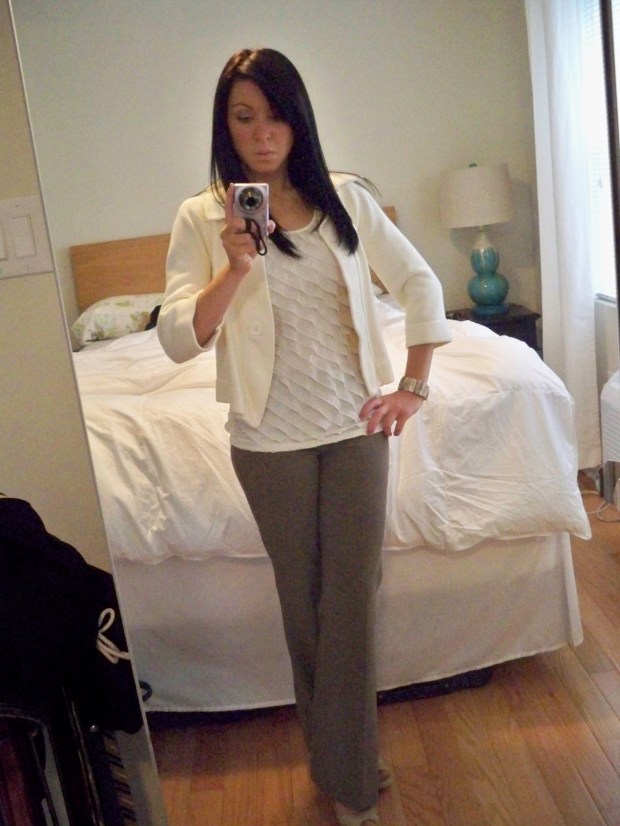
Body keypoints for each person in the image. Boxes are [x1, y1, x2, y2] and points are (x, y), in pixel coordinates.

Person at [157, 47, 451, 826]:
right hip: (267, 444)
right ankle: (344, 760)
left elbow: (419, 281)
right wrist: (233, 267)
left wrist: (413, 385)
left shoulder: (345, 198)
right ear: (224, 125)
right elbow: (177, 338)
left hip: (356, 429)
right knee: (306, 605)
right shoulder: (203, 216)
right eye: (244, 116)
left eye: (277, 115)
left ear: (299, 120)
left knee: (353, 598)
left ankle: (346, 777)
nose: (262, 133)